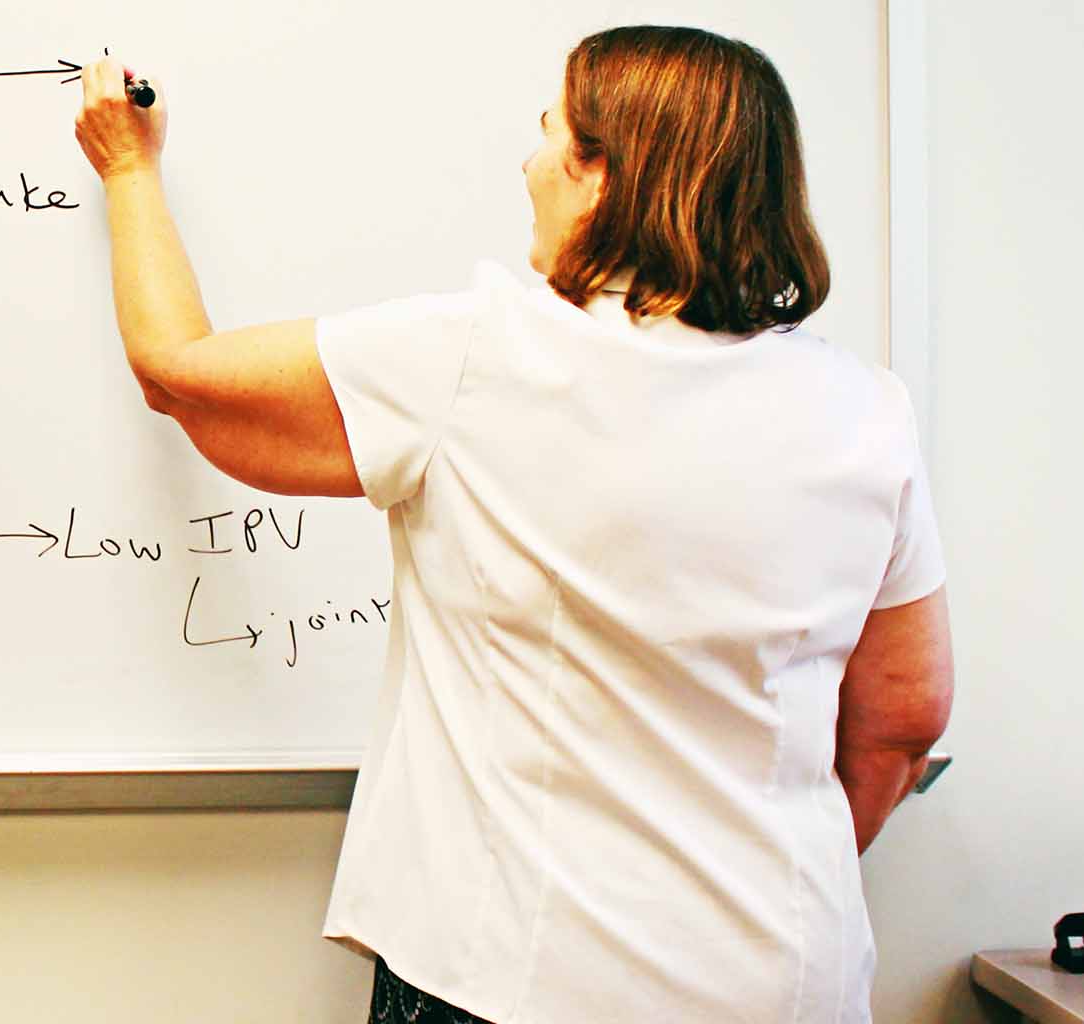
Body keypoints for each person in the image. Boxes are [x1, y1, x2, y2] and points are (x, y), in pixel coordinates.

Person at [72, 26, 953, 1023]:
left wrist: (126, 167)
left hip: (520, 984)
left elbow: (180, 374)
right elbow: (903, 718)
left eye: (550, 136)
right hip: (786, 984)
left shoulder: (480, 359)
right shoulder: (866, 411)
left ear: (605, 179)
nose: (528, 165)